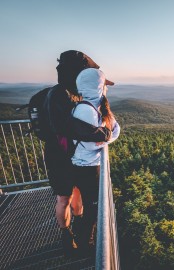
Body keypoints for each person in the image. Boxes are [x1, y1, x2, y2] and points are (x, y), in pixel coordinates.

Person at [43, 50, 113, 255]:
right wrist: (102, 134)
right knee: (64, 198)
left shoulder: (73, 92)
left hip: (72, 156)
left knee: (77, 195)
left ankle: (81, 231)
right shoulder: (59, 94)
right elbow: (68, 127)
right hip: (59, 157)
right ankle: (67, 237)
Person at [71, 68, 120, 252]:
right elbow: (91, 144)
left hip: (89, 164)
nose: (106, 89)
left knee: (89, 205)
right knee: (92, 208)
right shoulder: (85, 111)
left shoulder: (95, 106)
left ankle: (83, 237)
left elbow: (116, 131)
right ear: (97, 87)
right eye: (104, 85)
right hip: (85, 167)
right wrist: (106, 139)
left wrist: (105, 139)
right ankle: (86, 244)